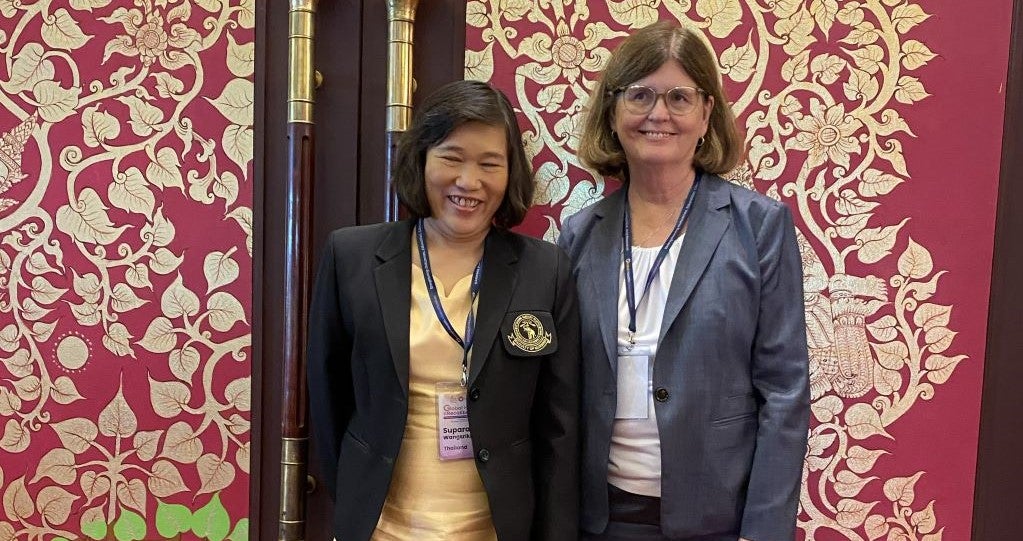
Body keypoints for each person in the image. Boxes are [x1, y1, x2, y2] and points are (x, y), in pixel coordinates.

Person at [558, 21, 809, 541]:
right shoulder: (579, 236)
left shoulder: (758, 226)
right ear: (613, 109)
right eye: (640, 95)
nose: (659, 114)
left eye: (679, 96)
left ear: (706, 114)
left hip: (716, 517)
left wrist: (764, 532)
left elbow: (785, 392)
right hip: (600, 519)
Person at [308, 80, 580, 541]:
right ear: (422, 158)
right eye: (451, 158)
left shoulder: (545, 269)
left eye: (489, 164)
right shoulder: (351, 255)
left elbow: (559, 426)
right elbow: (329, 394)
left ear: (509, 172)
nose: (468, 181)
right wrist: (355, 493)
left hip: (494, 526)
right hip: (381, 526)